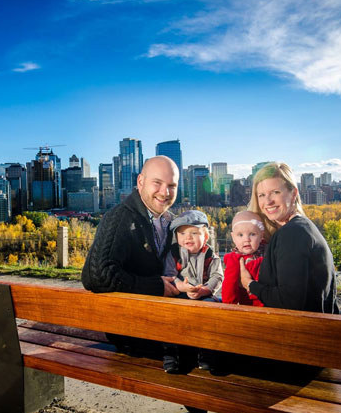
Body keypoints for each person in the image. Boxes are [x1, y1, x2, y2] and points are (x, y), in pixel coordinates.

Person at [239, 162, 339, 413]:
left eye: (275, 192)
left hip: (301, 351)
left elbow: (289, 302)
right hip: (313, 340)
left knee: (214, 354)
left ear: (293, 193)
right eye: (261, 195)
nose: (268, 201)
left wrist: (250, 285)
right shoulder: (300, 229)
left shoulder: (292, 235)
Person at [81, 155, 181, 355]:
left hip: (165, 324)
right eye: (157, 183)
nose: (165, 192)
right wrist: (156, 286)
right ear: (141, 182)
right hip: (135, 332)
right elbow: (96, 276)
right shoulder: (120, 218)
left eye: (172, 185)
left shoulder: (172, 222)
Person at [162, 209, 223, 373]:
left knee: (211, 313)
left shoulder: (210, 254)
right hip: (180, 292)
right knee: (169, 314)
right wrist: (181, 286)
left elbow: (217, 276)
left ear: (206, 236)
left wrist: (204, 289)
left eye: (194, 233)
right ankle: (171, 355)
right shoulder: (174, 253)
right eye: (182, 234)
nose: (188, 237)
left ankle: (207, 354)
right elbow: (169, 274)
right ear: (176, 237)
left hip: (204, 295)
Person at [221, 210, 265, 306]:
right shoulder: (234, 259)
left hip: (270, 302)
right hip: (249, 305)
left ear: (262, 235)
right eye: (240, 235)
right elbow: (229, 284)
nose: (246, 239)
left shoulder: (266, 252)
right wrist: (229, 304)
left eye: (252, 234)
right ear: (233, 237)